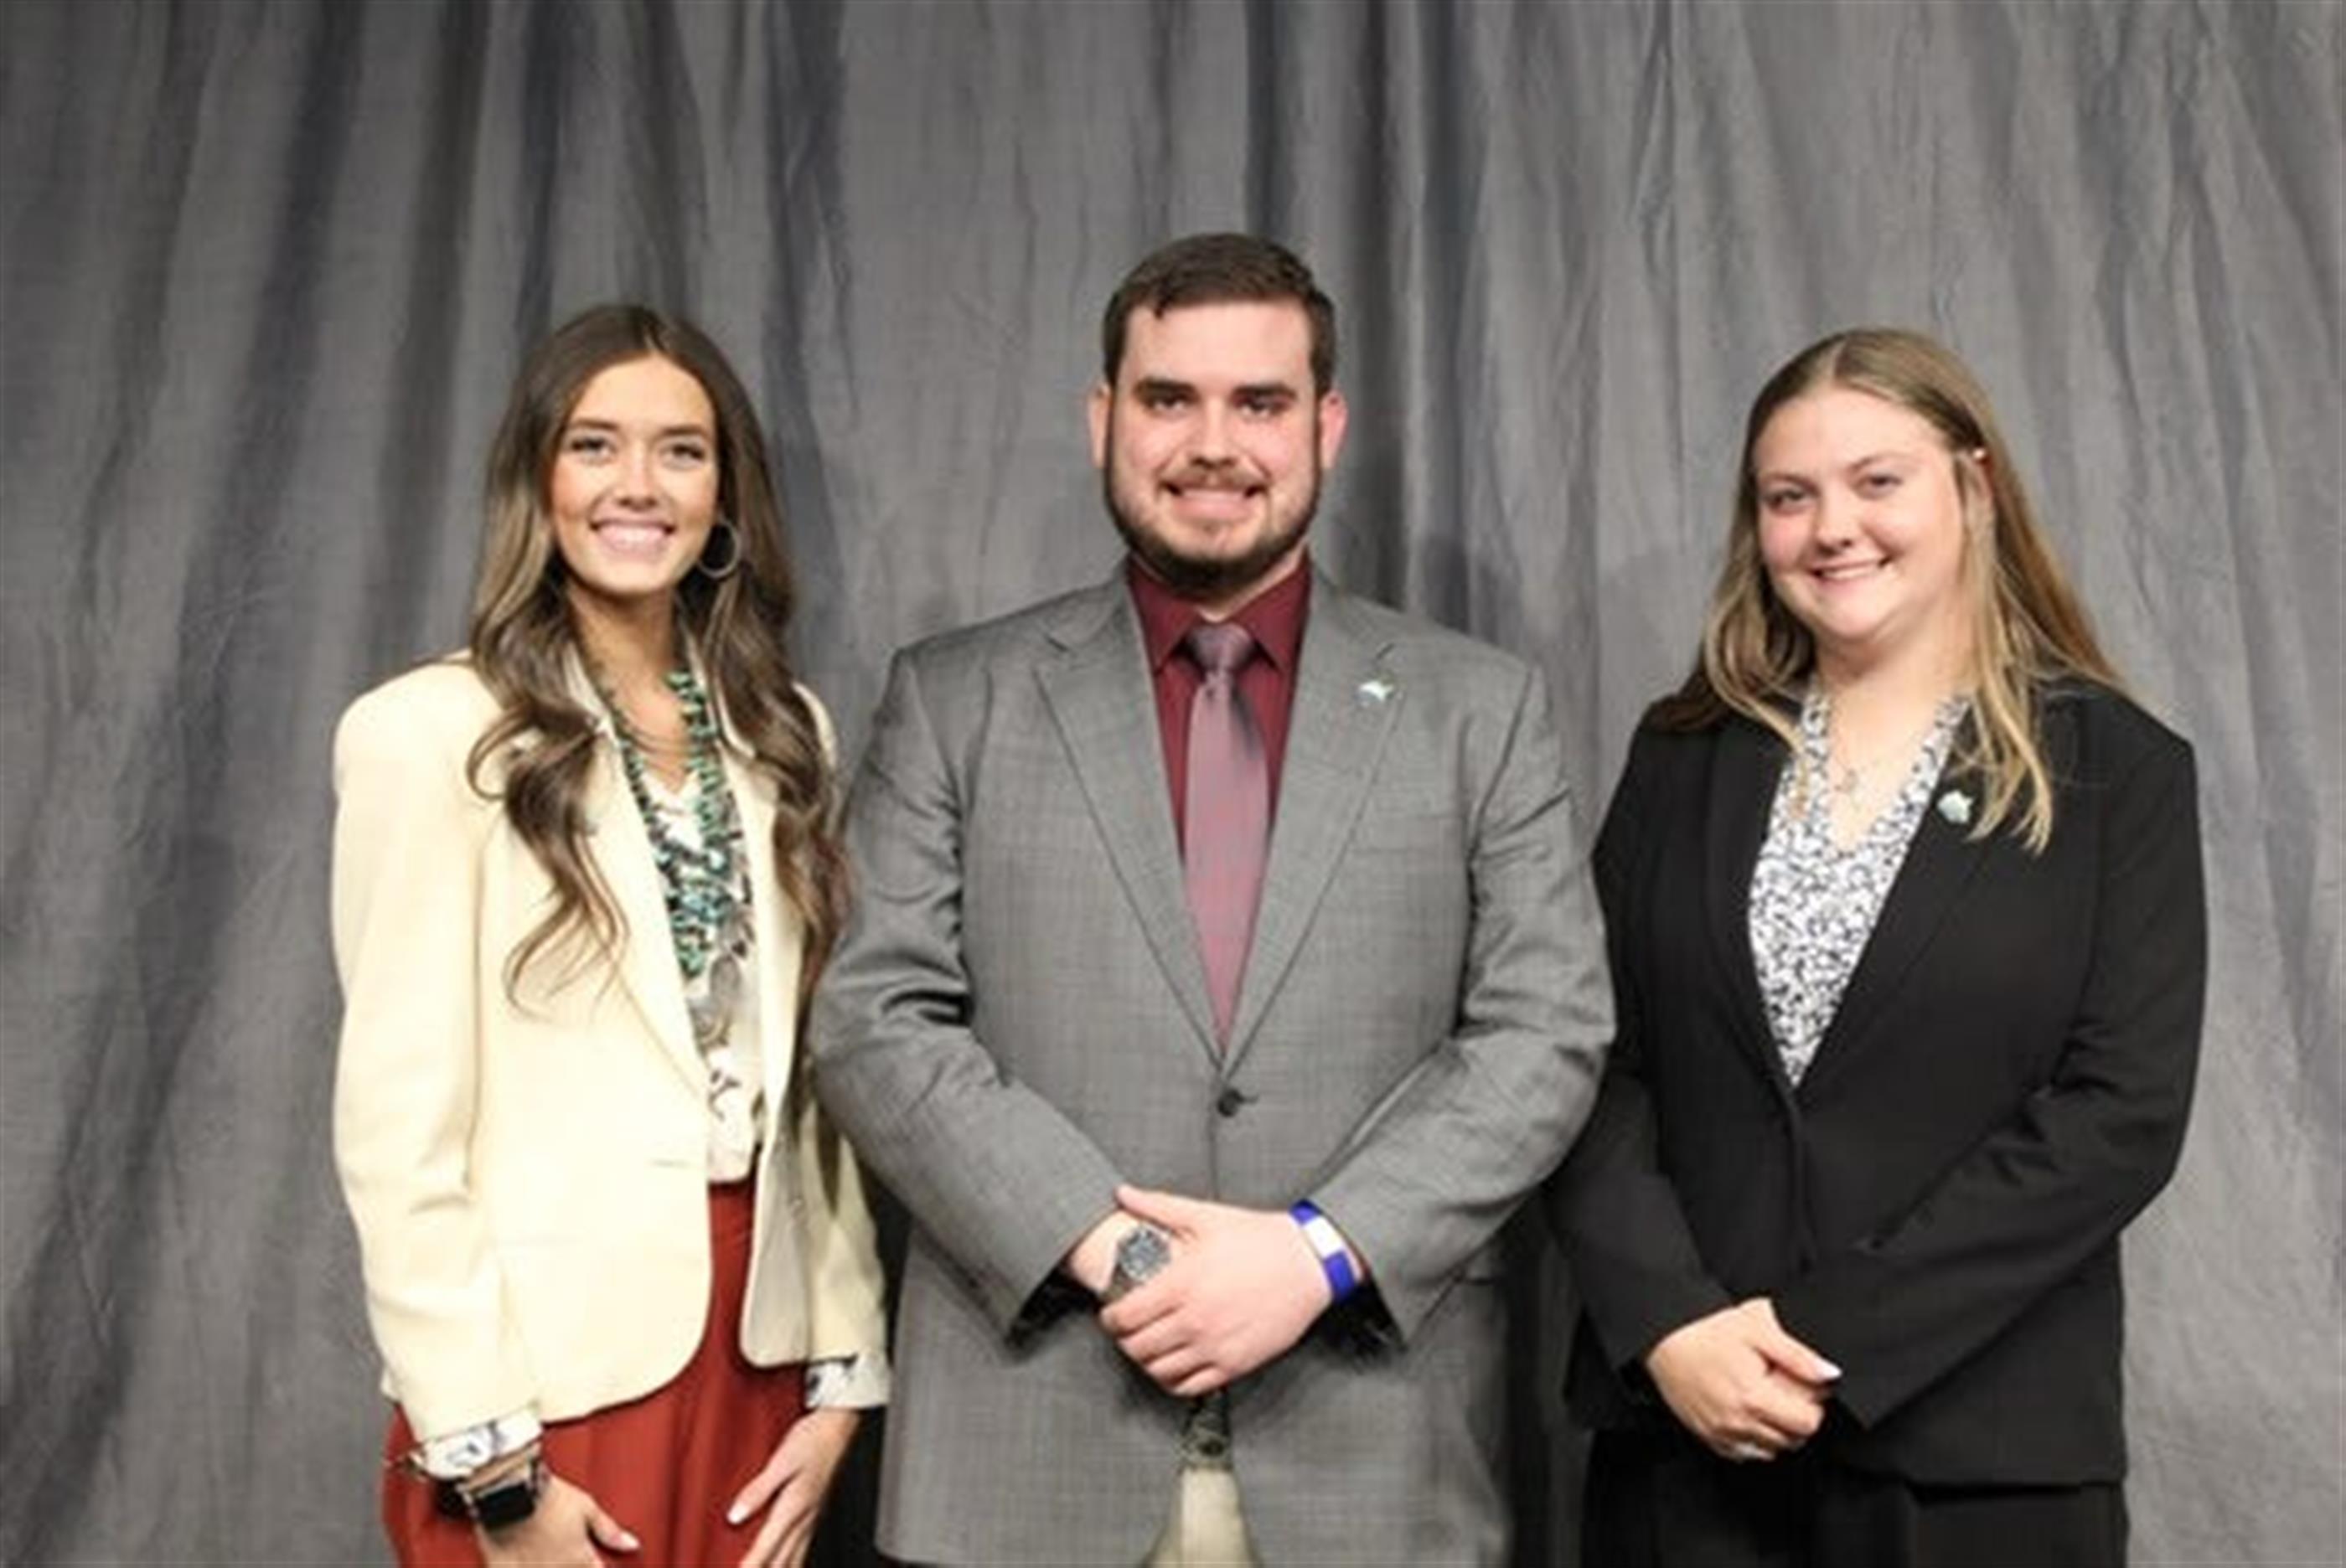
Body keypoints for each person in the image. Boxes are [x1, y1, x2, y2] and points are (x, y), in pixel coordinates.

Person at [809, 232, 1613, 1564]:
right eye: (1169, 398)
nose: (1213, 444)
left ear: (1326, 427)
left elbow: (1548, 1034)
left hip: (1373, 1463)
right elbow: (873, 1020)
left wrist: (1317, 1254)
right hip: (1027, 1462)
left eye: (1261, 402)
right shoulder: (955, 699)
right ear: (1103, 420)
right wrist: (1115, 1250)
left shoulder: (1480, 710)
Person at [1548, 328, 2206, 1566]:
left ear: (1974, 486)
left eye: (1877, 482)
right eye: (1789, 497)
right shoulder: (1682, 756)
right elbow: (1586, 1060)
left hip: (1979, 1467)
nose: (1831, 528)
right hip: (1686, 1446)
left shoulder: (2116, 773)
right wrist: (1673, 1325)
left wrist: (1821, 1337)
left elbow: (2120, 1115)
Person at [331, 304, 888, 1568]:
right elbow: (395, 1135)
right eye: (595, 445)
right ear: (538, 479)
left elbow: (818, 1086)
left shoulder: (784, 733)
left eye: (681, 451)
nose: (639, 484)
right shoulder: (429, 735)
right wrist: (494, 1470)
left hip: (760, 1359)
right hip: (544, 1387)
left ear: (724, 493)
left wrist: (843, 1383)